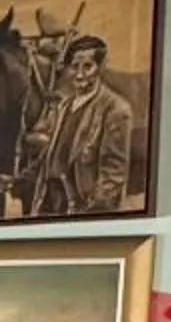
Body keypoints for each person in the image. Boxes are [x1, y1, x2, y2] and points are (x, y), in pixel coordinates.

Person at [23, 36, 131, 218]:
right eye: (75, 66)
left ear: (101, 68)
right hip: (48, 205)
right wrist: (15, 181)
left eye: (87, 66)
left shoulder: (115, 110)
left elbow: (113, 176)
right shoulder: (64, 106)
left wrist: (89, 216)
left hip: (81, 209)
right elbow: (48, 158)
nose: (79, 74)